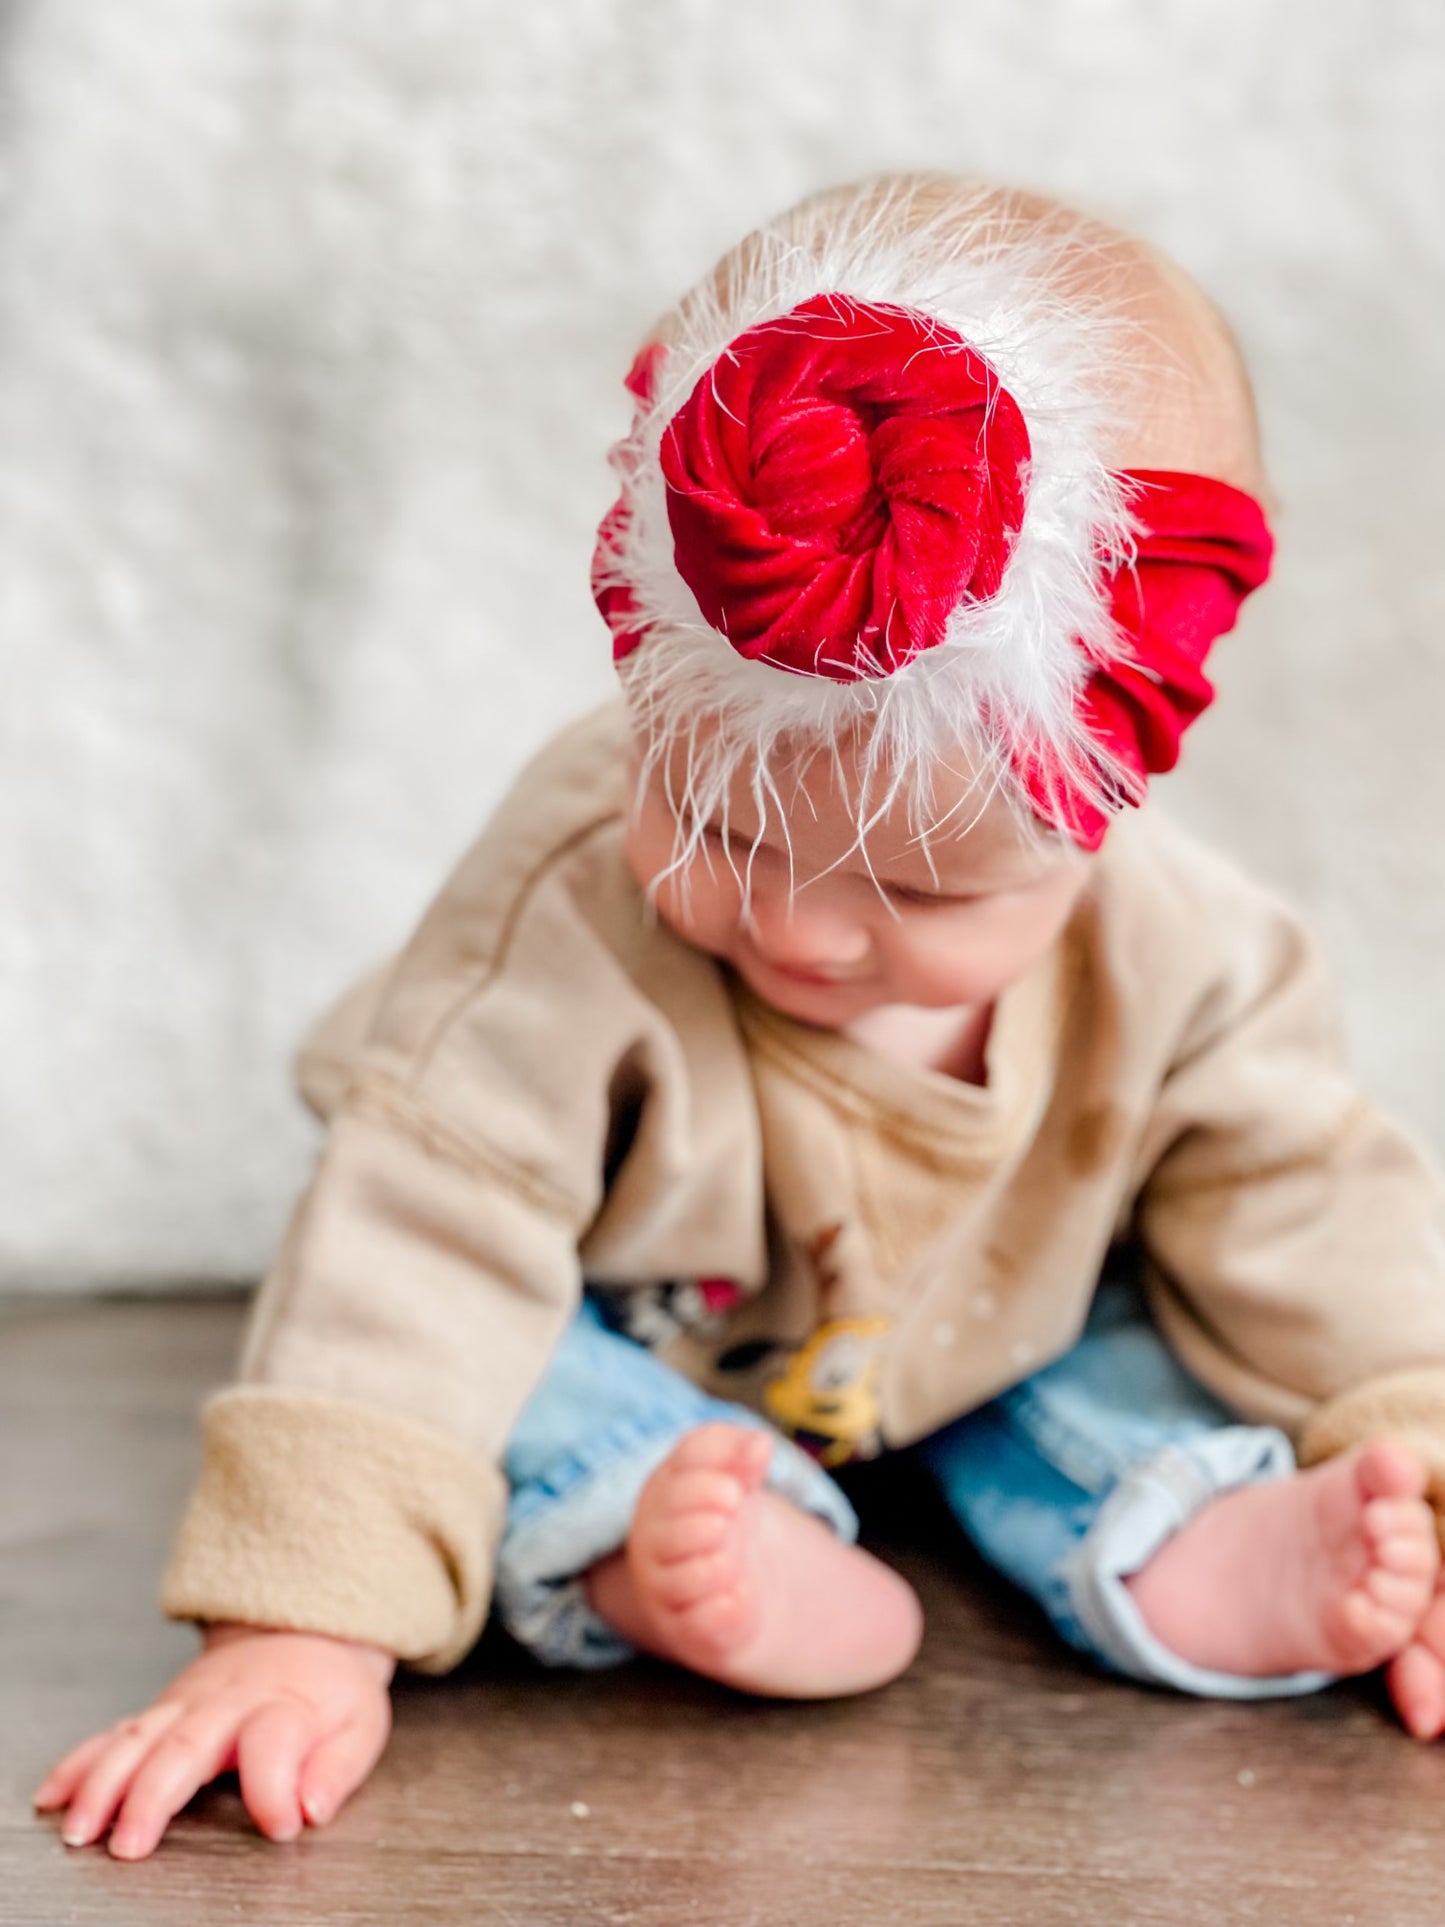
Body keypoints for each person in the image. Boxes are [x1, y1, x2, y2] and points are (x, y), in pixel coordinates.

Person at [36, 175, 1445, 1862]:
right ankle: (668, 1523)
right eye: (712, 821)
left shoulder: (1184, 954)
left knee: (1133, 1344)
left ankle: (1195, 1533)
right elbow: (431, 1225)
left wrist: (1418, 1442)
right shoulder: (562, 905)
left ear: (1107, 795)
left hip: (985, 1334)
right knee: (511, 1376)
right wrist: (296, 1625)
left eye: (917, 896)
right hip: (634, 1322)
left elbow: (1306, 1203)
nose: (790, 923)